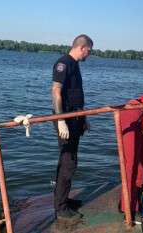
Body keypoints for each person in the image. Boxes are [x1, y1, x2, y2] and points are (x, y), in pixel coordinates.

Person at [51, 34, 92, 220]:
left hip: (75, 119)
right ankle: (60, 208)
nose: (88, 55)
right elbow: (56, 91)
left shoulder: (75, 65)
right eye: (89, 51)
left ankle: (64, 200)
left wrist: (83, 118)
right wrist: (60, 120)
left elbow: (75, 94)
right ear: (82, 48)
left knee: (71, 161)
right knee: (68, 162)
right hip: (65, 120)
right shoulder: (63, 63)